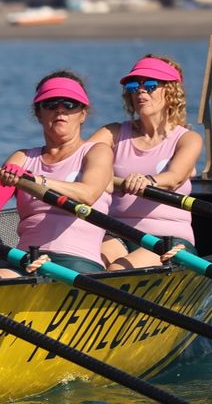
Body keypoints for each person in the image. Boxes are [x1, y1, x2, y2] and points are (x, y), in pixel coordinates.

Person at [0, 71, 112, 279]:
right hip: (26, 260)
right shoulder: (22, 157)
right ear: (38, 113)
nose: (60, 110)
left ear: (83, 113)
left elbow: (88, 195)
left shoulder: (97, 152)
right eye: (51, 104)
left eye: (70, 104)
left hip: (76, 261)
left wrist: (34, 180)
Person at [86, 54, 204, 270]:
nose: (140, 90)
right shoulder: (112, 133)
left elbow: (174, 178)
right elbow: (77, 157)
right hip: (118, 232)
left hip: (168, 238)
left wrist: (148, 180)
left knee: (117, 270)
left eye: (150, 85)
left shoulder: (187, 139)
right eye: (134, 86)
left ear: (170, 92)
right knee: (91, 267)